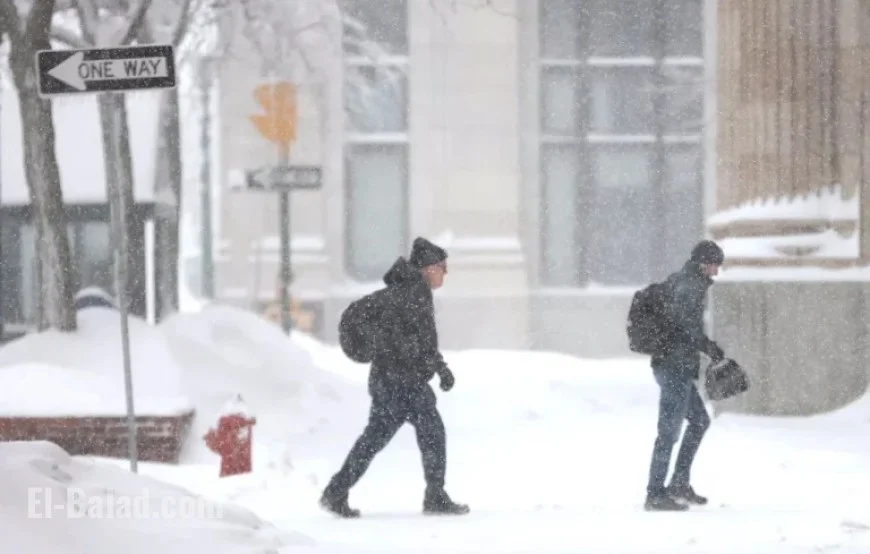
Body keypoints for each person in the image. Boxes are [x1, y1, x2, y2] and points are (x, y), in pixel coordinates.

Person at [320, 237, 469, 518]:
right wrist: (391, 350)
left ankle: (336, 491)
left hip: (392, 381)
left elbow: (419, 340)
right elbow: (399, 337)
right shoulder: (409, 295)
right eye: (442, 267)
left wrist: (439, 367)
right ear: (427, 268)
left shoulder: (413, 293)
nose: (445, 273)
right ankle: (435, 495)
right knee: (431, 432)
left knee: (376, 438)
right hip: (401, 382)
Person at [645, 240, 727, 512]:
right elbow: (684, 326)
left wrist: (705, 348)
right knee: (668, 431)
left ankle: (679, 483)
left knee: (700, 420)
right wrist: (709, 348)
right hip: (673, 367)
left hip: (675, 365)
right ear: (704, 263)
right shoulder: (689, 286)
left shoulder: (684, 281)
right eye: (715, 265)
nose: (716, 272)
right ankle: (655, 493)